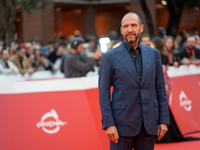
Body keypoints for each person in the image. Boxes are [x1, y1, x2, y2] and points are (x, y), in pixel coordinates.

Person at [98, 12, 170, 150]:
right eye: (126, 26)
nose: (129, 29)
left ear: (141, 28)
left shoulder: (154, 54)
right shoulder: (109, 57)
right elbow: (104, 92)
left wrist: (163, 120)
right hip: (121, 124)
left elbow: (160, 88)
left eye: (133, 25)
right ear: (121, 30)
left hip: (148, 123)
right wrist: (109, 124)